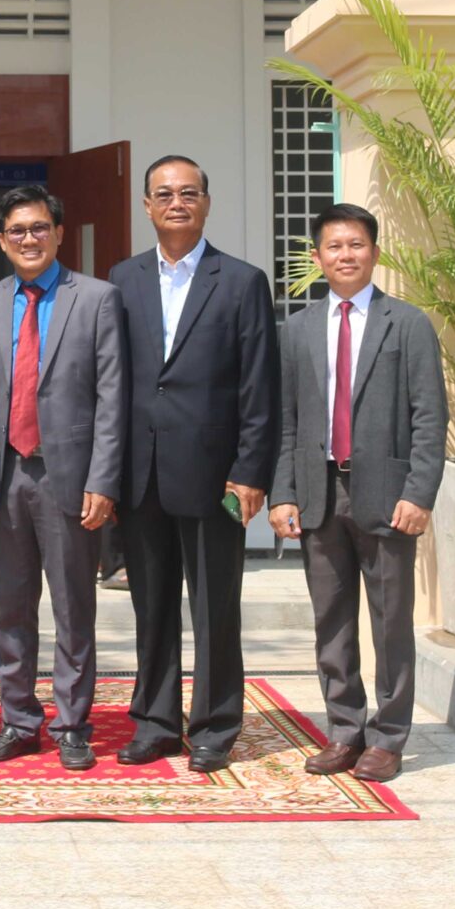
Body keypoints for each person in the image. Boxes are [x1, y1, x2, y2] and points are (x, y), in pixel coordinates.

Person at [107, 154, 278, 773]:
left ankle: (214, 724)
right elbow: (114, 379)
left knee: (214, 607)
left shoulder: (241, 281)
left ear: (207, 202)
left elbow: (261, 385)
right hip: (141, 474)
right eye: (164, 194)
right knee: (151, 608)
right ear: (146, 207)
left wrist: (252, 470)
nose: (176, 203)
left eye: (188, 193)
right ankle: (155, 721)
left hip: (216, 476)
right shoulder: (120, 279)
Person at [270, 202, 446, 784]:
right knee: (332, 623)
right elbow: (286, 420)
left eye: (356, 245)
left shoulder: (408, 324)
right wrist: (283, 493)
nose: (345, 255)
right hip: (319, 495)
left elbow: (429, 416)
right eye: (334, 247)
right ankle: (345, 731)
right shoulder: (295, 329)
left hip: (388, 497)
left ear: (374, 252)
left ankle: (389, 737)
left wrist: (420, 492)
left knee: (391, 621)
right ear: (318, 257)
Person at [0, 184, 128, 771]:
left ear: (60, 234)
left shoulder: (95, 299)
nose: (30, 239)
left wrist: (104, 480)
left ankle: (72, 723)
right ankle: (18, 720)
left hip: (71, 475)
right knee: (10, 607)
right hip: (6, 471)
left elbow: (114, 397)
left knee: (73, 606)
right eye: (18, 231)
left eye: (40, 228)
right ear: (2, 241)